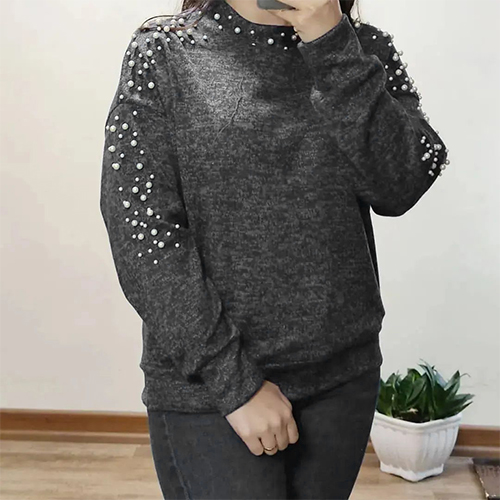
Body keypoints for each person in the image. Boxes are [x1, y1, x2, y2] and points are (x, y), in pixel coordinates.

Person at [99, 0, 450, 497]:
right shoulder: (165, 53)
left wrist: (331, 45)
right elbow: (142, 234)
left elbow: (402, 182)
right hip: (210, 389)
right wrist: (234, 383)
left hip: (342, 379)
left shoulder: (360, 49)